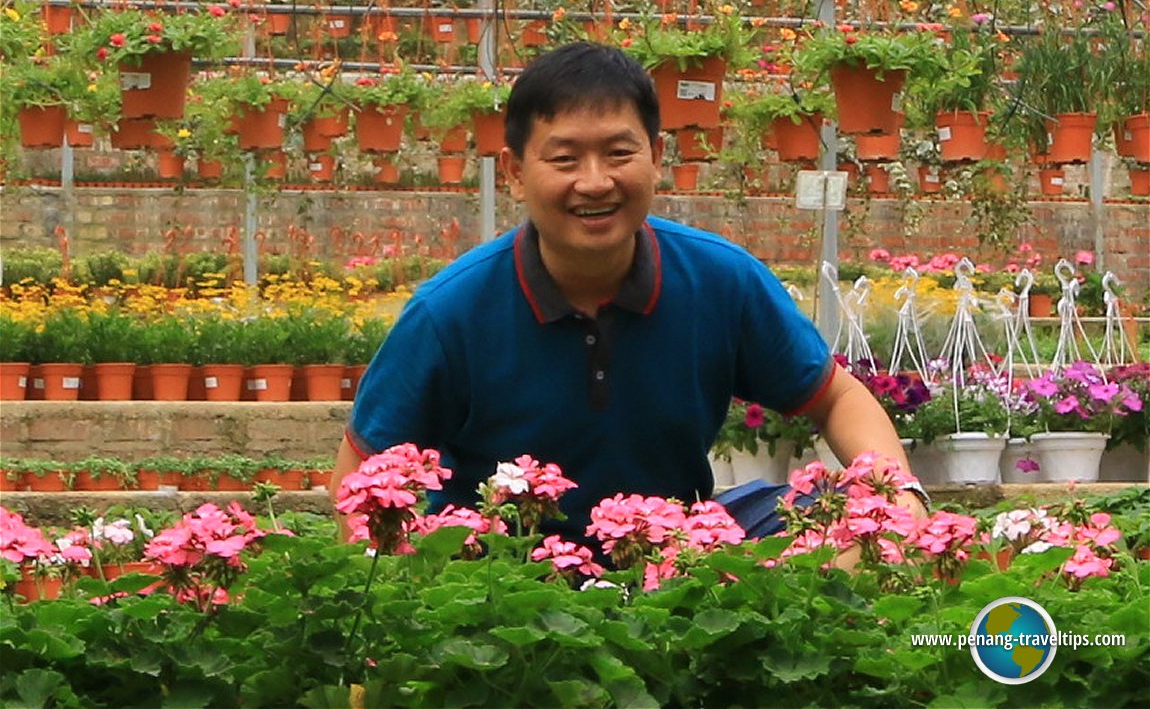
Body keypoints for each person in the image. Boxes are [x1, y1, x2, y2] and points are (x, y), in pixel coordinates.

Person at [332, 41, 927, 546]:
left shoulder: (720, 279)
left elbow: (835, 397)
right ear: (515, 172)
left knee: (847, 519)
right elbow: (363, 466)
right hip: (499, 579)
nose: (595, 182)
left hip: (676, 559)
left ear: (656, 156)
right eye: (564, 158)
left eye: (619, 153)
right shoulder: (450, 312)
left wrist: (899, 495)